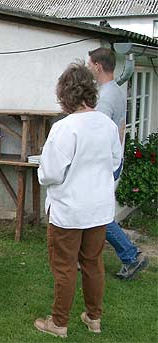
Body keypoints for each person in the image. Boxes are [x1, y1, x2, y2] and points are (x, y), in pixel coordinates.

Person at [34, 62, 122, 338]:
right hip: (98, 208)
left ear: (65, 94)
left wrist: (41, 167)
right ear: (90, 91)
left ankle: (59, 323)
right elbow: (114, 162)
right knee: (93, 263)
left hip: (69, 211)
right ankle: (93, 318)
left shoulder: (64, 128)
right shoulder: (107, 125)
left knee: (64, 266)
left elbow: (48, 174)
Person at [87, 47, 148, 280]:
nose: (89, 67)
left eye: (89, 64)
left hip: (103, 165)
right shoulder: (116, 91)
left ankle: (131, 256)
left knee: (97, 215)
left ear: (97, 66)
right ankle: (84, 259)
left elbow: (98, 137)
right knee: (93, 213)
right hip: (112, 162)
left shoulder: (105, 98)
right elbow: (119, 132)